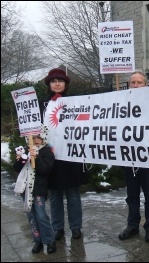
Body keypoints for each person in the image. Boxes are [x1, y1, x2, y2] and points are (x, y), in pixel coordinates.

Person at [40, 68, 88, 240]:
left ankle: (76, 227)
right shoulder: (43, 104)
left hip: (71, 155)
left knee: (73, 193)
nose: (57, 83)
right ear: (49, 84)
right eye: (54, 81)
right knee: (55, 194)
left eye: (60, 81)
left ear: (66, 84)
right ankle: (57, 227)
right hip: (51, 157)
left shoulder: (75, 102)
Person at [118, 70, 149, 243]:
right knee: (132, 195)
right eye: (132, 83)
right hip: (129, 158)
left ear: (146, 85)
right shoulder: (121, 104)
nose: (135, 86)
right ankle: (132, 225)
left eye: (139, 83)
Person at [13, 125, 57, 254]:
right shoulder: (26, 150)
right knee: (31, 216)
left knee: (41, 215)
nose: (36, 140)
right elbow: (17, 168)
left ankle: (50, 240)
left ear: (43, 138)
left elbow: (44, 170)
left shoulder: (47, 152)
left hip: (39, 189)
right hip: (26, 189)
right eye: (33, 137)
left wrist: (36, 158)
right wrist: (21, 159)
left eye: (39, 137)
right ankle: (37, 240)